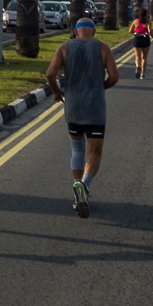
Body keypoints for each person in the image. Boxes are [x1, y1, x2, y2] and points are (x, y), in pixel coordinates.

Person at [46, 17, 120, 218]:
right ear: (93, 32)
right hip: (95, 107)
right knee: (94, 152)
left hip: (73, 106)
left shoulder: (64, 48)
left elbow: (50, 73)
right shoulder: (102, 48)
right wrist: (101, 87)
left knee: (77, 148)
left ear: (75, 31)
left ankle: (78, 194)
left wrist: (56, 92)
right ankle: (84, 186)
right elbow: (114, 76)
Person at [129, 7, 153, 79]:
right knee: (144, 57)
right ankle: (142, 74)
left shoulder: (135, 21)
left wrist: (135, 32)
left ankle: (138, 66)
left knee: (137, 58)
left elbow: (130, 31)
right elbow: (149, 31)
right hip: (145, 39)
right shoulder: (148, 22)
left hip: (137, 39)